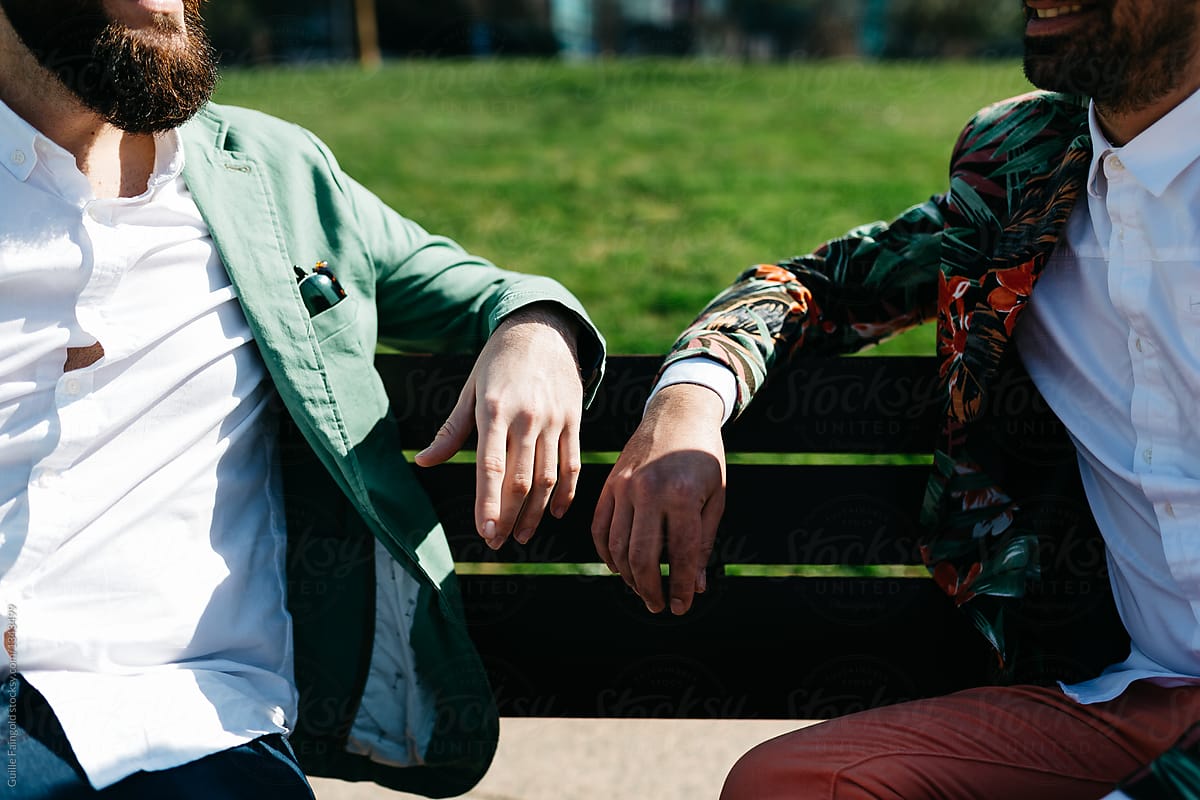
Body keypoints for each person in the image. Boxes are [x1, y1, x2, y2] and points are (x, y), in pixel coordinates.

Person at [592, 1, 1200, 797]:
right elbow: (814, 287)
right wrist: (686, 407)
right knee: (791, 785)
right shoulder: (1025, 168)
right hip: (1127, 695)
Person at [0, 1, 604, 798]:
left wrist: (535, 331)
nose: (166, 6)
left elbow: (478, 288)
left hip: (192, 721)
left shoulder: (269, 175)